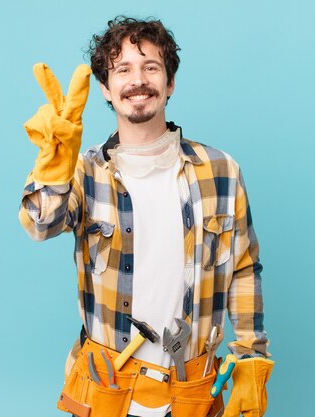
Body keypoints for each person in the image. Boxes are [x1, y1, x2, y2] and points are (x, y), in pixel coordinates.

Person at [19, 16, 274, 417]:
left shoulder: (221, 171)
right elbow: (40, 224)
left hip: (193, 389)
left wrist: (249, 356)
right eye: (123, 69)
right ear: (106, 87)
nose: (138, 80)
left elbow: (243, 267)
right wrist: (52, 167)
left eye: (151, 67)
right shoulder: (83, 173)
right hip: (108, 387)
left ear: (170, 82)